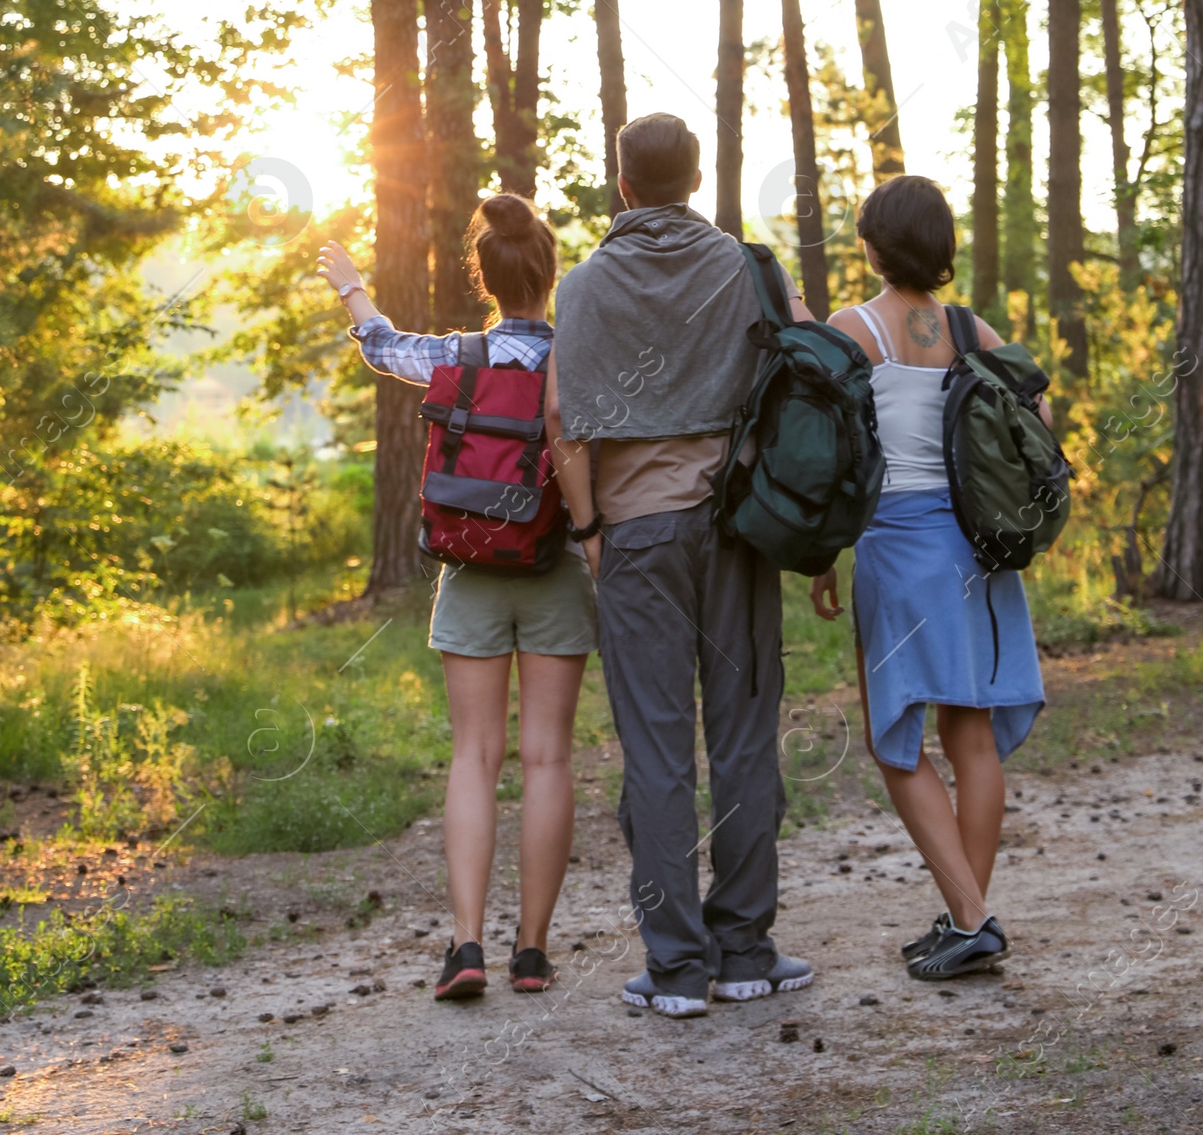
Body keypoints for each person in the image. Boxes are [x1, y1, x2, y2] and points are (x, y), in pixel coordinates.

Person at [544, 111, 814, 1019]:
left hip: (636, 536)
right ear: (695, 180)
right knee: (742, 737)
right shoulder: (749, 269)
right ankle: (745, 950)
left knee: (656, 749)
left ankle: (674, 969)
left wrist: (589, 531)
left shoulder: (583, 288)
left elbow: (564, 425)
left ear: (622, 184)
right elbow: (815, 360)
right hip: (738, 529)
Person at [318, 193, 595, 1005]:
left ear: (485, 276)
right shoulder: (576, 360)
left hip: (469, 569)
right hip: (556, 569)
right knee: (547, 757)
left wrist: (351, 284)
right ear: (550, 275)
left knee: (475, 757)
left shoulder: (455, 356)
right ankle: (534, 953)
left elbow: (379, 343)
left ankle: (466, 945)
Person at [811, 173, 1048, 981]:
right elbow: (1039, 421)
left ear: (876, 245)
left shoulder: (857, 328)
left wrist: (820, 553)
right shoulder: (967, 327)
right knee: (969, 734)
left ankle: (973, 918)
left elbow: (831, 455)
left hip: (899, 550)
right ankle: (963, 920)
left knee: (895, 741)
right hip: (976, 549)